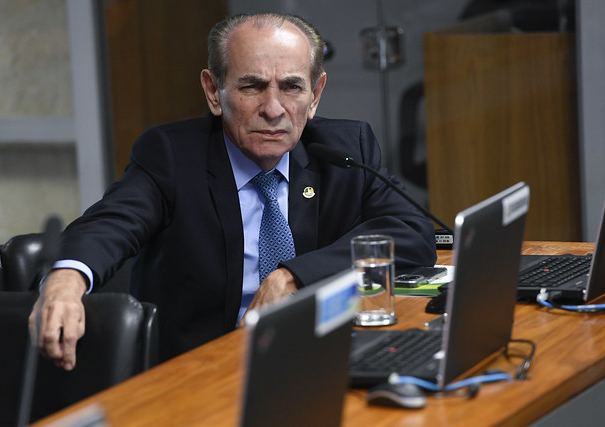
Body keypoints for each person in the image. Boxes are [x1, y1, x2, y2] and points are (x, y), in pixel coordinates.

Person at [29, 12, 437, 370]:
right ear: (214, 92)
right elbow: (110, 224)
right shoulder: (171, 157)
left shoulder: (344, 150)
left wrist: (294, 276)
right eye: (252, 86)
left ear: (315, 96)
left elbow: (411, 231)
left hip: (315, 362)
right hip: (199, 374)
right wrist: (66, 280)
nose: (273, 109)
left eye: (292, 87)